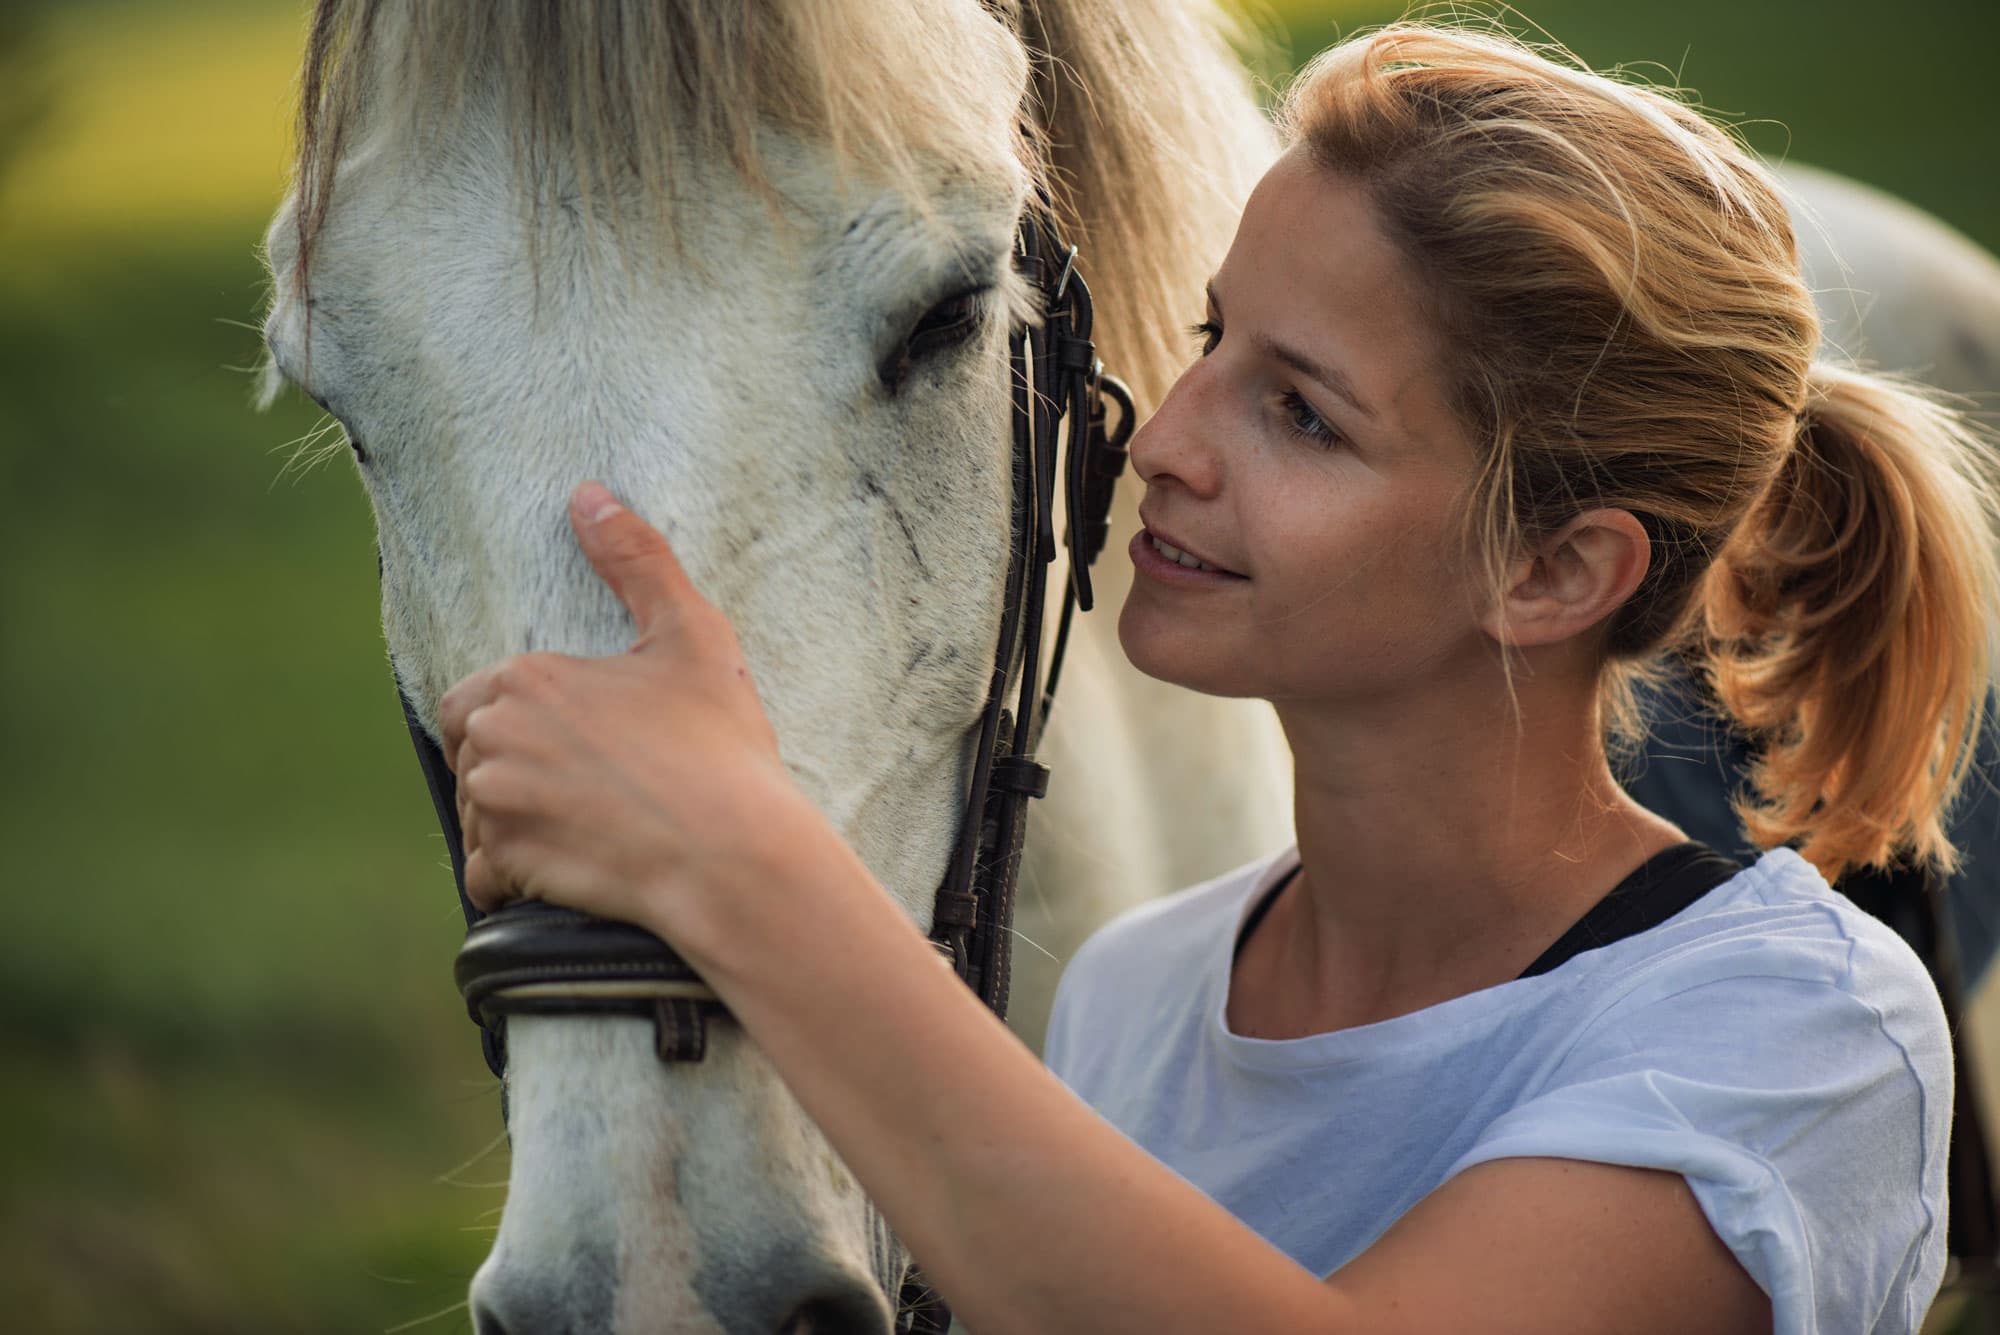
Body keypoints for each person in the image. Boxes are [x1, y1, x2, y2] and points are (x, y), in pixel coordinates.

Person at [435, 22, 1999, 1334]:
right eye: (1212, 340)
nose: (1165, 444)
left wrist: (742, 860)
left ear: (1551, 573)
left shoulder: (1806, 1033)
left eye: (1303, 414)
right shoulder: (1137, 992)